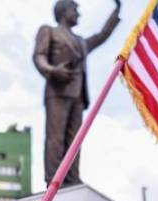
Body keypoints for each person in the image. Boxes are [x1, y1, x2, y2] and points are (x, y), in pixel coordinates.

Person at [33, 0, 121, 186]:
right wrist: (52, 70)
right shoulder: (49, 31)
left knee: (75, 140)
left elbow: (102, 35)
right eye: (75, 9)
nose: (78, 14)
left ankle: (72, 179)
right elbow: (39, 56)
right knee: (56, 138)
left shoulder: (81, 42)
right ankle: (54, 180)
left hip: (78, 95)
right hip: (57, 90)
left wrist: (116, 12)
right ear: (64, 11)